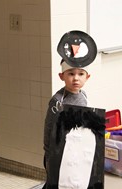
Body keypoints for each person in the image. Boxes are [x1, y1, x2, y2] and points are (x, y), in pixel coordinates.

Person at [42, 30, 106, 189]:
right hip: (60, 153)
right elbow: (49, 128)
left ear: (87, 77)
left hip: (79, 153)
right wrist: (49, 155)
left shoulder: (83, 96)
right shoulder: (57, 101)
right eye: (71, 73)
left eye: (80, 74)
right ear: (61, 76)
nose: (76, 78)